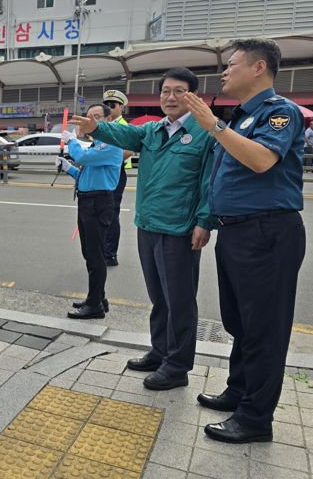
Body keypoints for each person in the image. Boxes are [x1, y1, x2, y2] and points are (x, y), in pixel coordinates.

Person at [185, 38, 305, 444]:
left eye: (232, 64)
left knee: (264, 329)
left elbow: (260, 160)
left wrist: (214, 126)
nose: (224, 71)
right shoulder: (239, 118)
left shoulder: (279, 113)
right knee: (240, 322)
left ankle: (255, 418)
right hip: (236, 231)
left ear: (258, 68)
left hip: (267, 232)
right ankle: (239, 391)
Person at [72, 68, 216, 391]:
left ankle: (177, 366)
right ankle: (161, 351)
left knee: (179, 300)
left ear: (193, 97)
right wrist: (97, 127)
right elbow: (125, 136)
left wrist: (204, 222)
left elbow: (209, 183)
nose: (170, 97)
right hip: (148, 225)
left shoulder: (204, 134)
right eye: (166, 91)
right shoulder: (152, 131)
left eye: (179, 91)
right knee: (159, 297)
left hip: (179, 229)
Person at [57, 104, 123, 320]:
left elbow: (84, 158)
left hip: (98, 203)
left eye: (96, 117)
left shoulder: (112, 143)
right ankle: (98, 298)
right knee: (89, 254)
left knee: (95, 256)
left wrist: (72, 141)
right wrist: (68, 169)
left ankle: (95, 305)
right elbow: (86, 174)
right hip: (87, 201)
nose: (90, 120)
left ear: (107, 119)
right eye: (88, 117)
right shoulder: (99, 144)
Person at [101, 89, 134, 267]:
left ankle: (110, 254)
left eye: (112, 105)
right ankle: (102, 248)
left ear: (121, 107)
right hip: (102, 171)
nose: (109, 108)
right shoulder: (104, 125)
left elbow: (129, 150)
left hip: (116, 171)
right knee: (102, 212)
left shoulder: (124, 126)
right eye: (106, 105)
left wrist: (107, 158)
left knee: (112, 213)